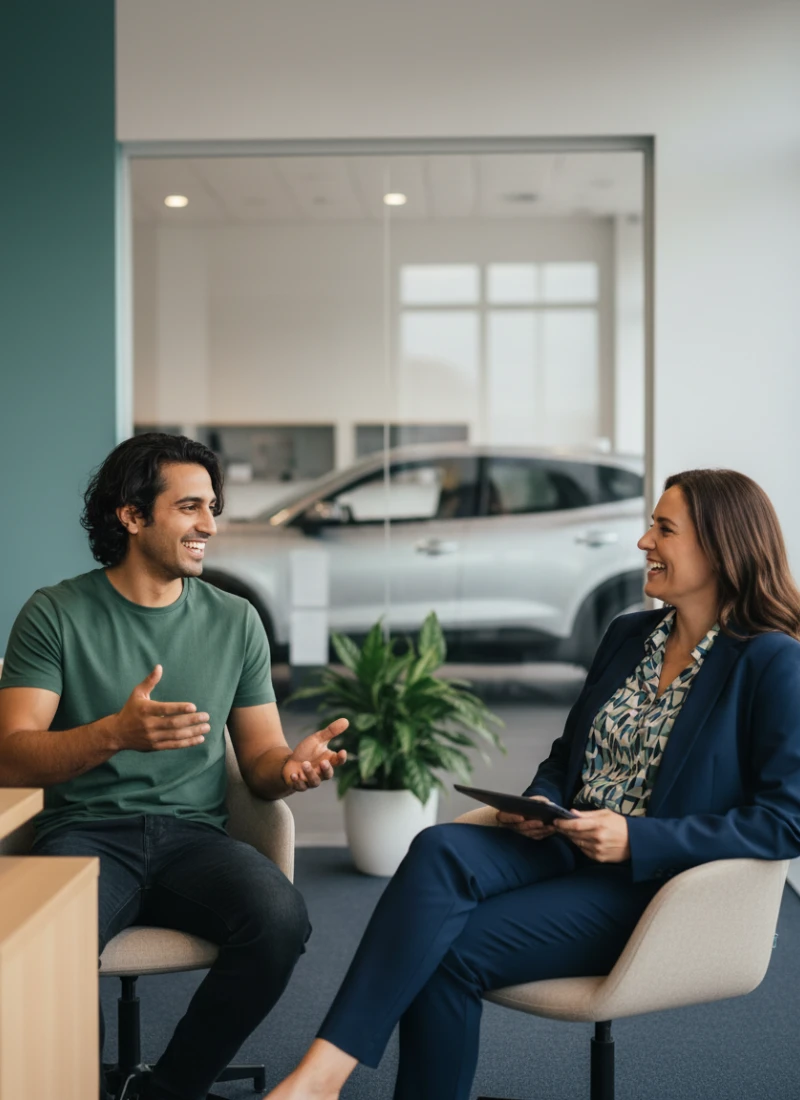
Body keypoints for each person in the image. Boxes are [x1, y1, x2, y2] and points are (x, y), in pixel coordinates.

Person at [265, 468, 800, 1100]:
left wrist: (637, 839)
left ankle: (319, 1082)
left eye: (664, 528)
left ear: (721, 544)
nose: (642, 542)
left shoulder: (769, 658)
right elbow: (567, 753)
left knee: (443, 950)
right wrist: (543, 800)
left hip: (651, 885)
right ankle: (321, 1078)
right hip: (561, 838)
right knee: (438, 847)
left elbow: (784, 820)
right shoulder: (631, 635)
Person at [0, 433, 348, 1100]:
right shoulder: (55, 612)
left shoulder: (235, 620)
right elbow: (10, 755)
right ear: (131, 516)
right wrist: (113, 734)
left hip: (195, 839)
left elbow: (261, 762)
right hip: (84, 833)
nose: (209, 526)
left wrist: (292, 770)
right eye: (190, 507)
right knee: (44, 944)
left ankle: (169, 1089)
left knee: (281, 920)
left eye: (211, 507)